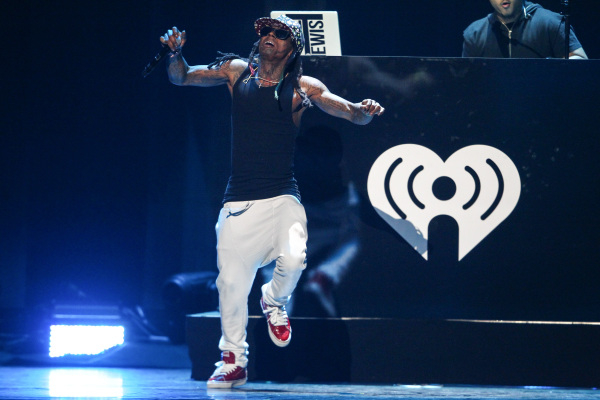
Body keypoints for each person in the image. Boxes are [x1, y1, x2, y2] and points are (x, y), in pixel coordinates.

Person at [159, 15, 384, 389]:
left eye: (280, 34)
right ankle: (234, 361)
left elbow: (349, 112)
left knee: (294, 259)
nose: (270, 36)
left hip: (282, 196)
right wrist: (175, 55)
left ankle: (274, 301)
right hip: (238, 200)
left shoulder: (302, 87)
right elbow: (181, 77)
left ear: (292, 48)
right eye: (265, 30)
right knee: (230, 284)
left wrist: (364, 110)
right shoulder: (236, 72)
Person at [462, 0, 587, 59]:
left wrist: (551, 70)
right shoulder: (474, 33)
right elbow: (466, 80)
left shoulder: (551, 23)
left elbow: (580, 61)